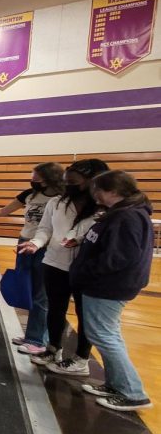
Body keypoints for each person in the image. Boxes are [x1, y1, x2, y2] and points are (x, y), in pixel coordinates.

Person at [0, 162, 64, 352]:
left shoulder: (61, 199)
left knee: (41, 295)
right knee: (28, 289)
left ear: (48, 178)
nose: (32, 178)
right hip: (25, 242)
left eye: (36, 175)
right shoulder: (29, 194)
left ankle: (38, 340)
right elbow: (3, 211)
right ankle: (32, 334)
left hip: (46, 247)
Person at [71, 171, 153, 411]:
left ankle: (133, 392)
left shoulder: (127, 217)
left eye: (99, 189)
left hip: (108, 286)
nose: (95, 194)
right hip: (104, 284)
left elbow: (119, 257)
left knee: (105, 336)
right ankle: (116, 384)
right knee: (105, 335)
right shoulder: (120, 214)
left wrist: (87, 271)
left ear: (114, 191)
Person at [17, 159, 109, 374]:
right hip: (54, 262)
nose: (69, 186)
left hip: (85, 268)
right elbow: (45, 229)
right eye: (67, 182)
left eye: (75, 182)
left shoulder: (103, 209)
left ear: (91, 182)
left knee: (84, 313)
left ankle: (80, 358)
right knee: (55, 309)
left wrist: (78, 239)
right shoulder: (57, 203)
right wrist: (35, 243)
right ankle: (53, 348)